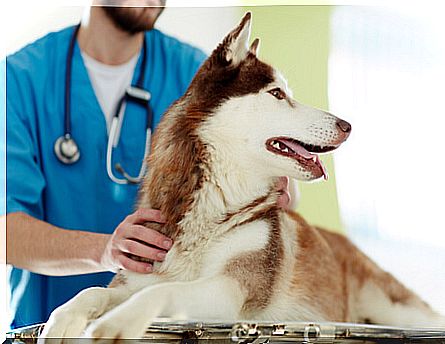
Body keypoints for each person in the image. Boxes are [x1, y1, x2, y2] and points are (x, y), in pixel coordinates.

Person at [3, 1, 295, 329]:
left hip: (163, 331)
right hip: (49, 326)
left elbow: (276, 194)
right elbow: (6, 232)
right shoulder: (18, 80)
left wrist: (276, 181)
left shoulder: (196, 73)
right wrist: (106, 251)